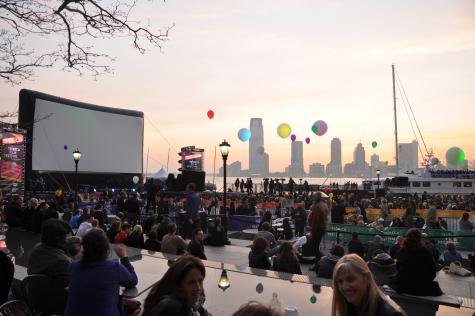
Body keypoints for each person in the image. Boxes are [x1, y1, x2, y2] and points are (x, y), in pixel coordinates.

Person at [64, 229, 138, 316]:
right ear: (106, 248)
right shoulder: (114, 267)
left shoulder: (74, 266)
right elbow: (133, 281)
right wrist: (124, 258)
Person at [332, 254, 406, 316]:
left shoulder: (391, 314)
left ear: (367, 278)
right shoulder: (350, 305)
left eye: (350, 279)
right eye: (340, 281)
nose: (345, 287)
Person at [142, 256, 210, 316]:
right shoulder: (172, 307)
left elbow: (201, 310)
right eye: (191, 282)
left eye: (200, 280)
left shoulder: (190, 299)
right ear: (178, 284)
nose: (198, 287)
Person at [389, 228, 443, 296]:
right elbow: (432, 273)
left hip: (403, 285)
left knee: (391, 279)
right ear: (420, 238)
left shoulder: (402, 251)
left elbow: (398, 268)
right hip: (421, 287)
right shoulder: (426, 253)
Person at [27, 219, 73, 289]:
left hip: (33, 290)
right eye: (68, 235)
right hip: (49, 297)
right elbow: (66, 287)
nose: (70, 238)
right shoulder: (62, 261)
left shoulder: (37, 247)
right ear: (59, 238)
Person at [308, 193, 328, 263]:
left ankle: (321, 260)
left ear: (317, 198)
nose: (313, 198)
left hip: (317, 229)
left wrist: (312, 231)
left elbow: (315, 220)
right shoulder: (324, 205)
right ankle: (318, 260)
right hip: (322, 228)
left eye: (314, 197)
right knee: (316, 246)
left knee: (314, 246)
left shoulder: (317, 206)